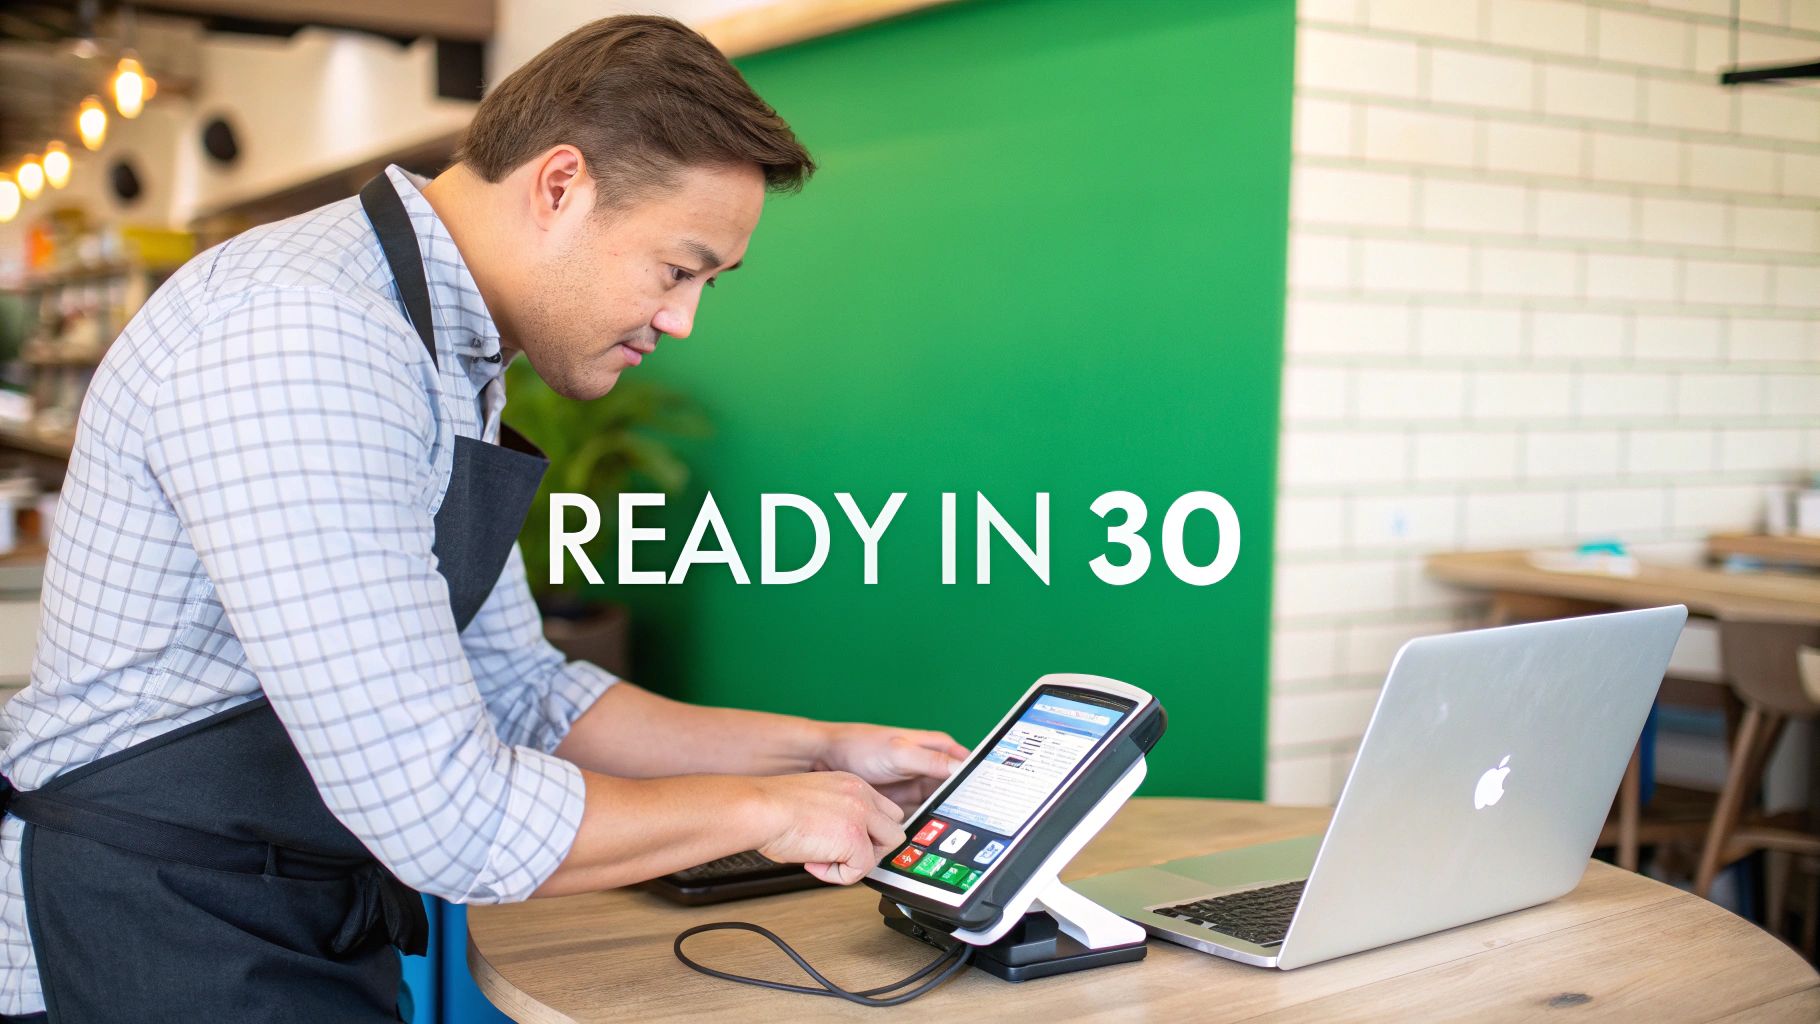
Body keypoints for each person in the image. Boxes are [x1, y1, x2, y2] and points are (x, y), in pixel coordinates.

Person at [0, 16, 965, 1023]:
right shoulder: (304, 336)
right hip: (144, 930)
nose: (681, 321)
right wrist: (767, 810)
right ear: (559, 185)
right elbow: (443, 815)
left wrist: (820, 752)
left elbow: (520, 691)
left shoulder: (443, 352)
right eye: (677, 270)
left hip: (273, 909)